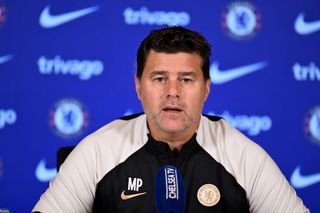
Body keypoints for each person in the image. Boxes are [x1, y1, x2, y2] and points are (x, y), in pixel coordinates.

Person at [33, 26, 309, 213]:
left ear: (206, 88)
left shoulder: (243, 157)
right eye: (159, 78)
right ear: (138, 86)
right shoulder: (98, 151)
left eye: (186, 80)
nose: (172, 92)